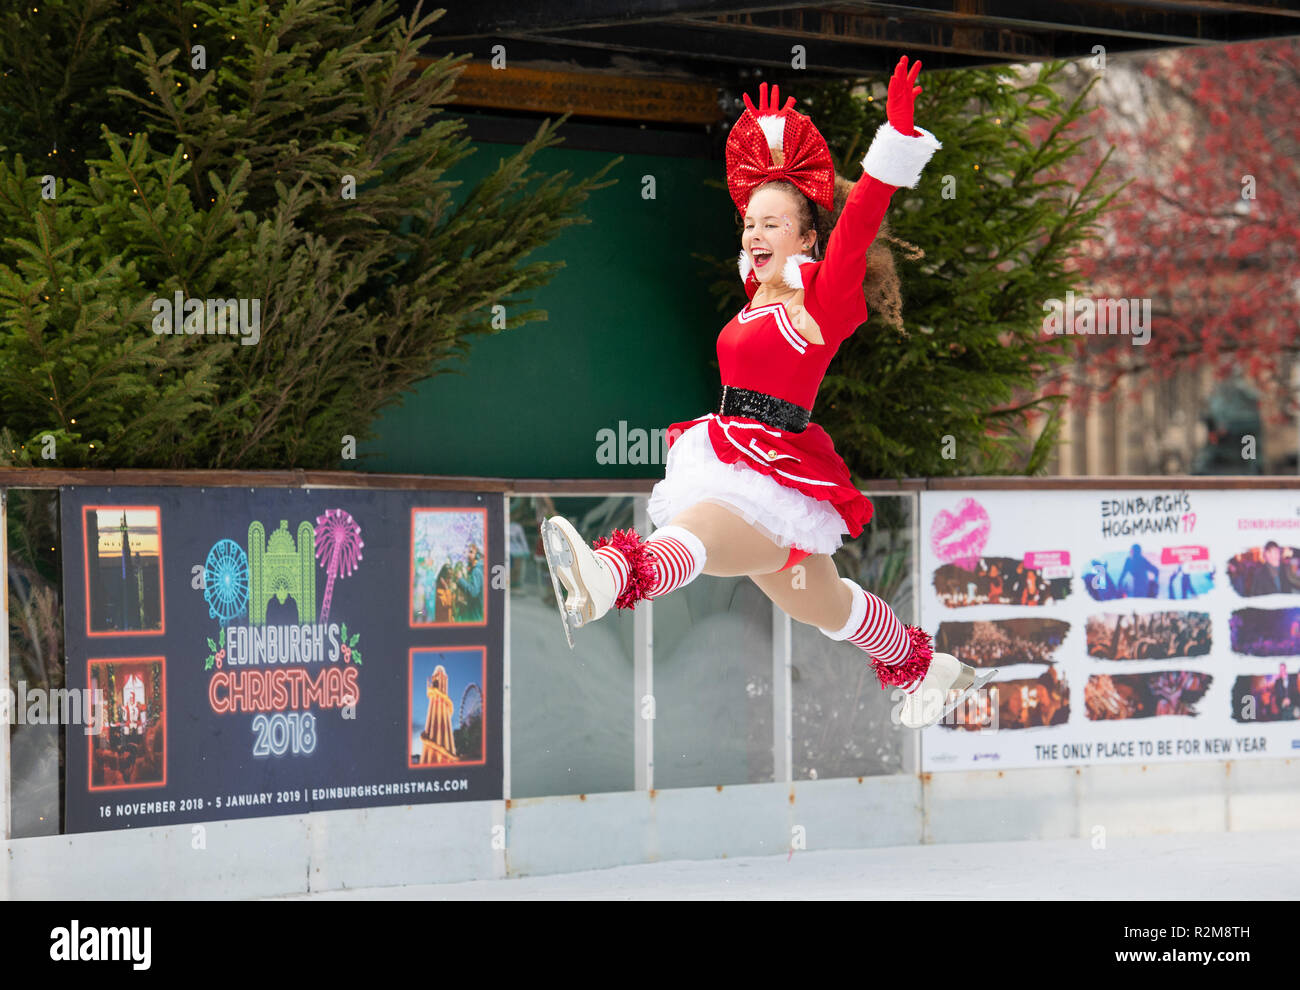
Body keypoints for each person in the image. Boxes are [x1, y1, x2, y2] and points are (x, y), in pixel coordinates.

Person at [540, 58, 992, 731]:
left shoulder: (826, 296)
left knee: (694, 533)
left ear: (809, 239)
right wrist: (772, 150)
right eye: (749, 222)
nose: (754, 232)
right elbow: (761, 231)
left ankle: (606, 577)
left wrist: (892, 145)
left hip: (769, 469)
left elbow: (860, 218)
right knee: (827, 605)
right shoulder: (759, 297)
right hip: (734, 451)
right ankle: (932, 670)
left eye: (773, 225)